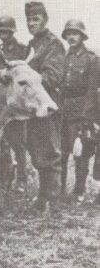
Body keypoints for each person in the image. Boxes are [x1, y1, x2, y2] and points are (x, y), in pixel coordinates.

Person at [24, 1, 65, 211]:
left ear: (45, 20)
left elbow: (53, 77)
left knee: (51, 153)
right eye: (29, 19)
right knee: (37, 152)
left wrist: (28, 79)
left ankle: (54, 201)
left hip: (49, 106)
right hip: (33, 107)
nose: (31, 23)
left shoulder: (53, 44)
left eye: (36, 19)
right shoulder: (32, 45)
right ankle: (42, 198)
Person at [0, 16, 28, 194]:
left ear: (12, 32)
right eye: (0, 31)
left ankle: (22, 179)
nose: (3, 35)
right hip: (2, 105)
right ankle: (4, 178)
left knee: (19, 144)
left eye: (6, 32)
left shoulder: (24, 50)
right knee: (1, 144)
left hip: (17, 103)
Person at [61, 20, 100, 203]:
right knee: (61, 151)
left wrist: (87, 117)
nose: (71, 37)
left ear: (82, 36)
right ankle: (59, 190)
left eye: (75, 33)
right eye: (68, 33)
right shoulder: (64, 57)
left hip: (82, 111)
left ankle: (79, 191)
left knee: (81, 153)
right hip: (63, 111)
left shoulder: (92, 59)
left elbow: (92, 91)